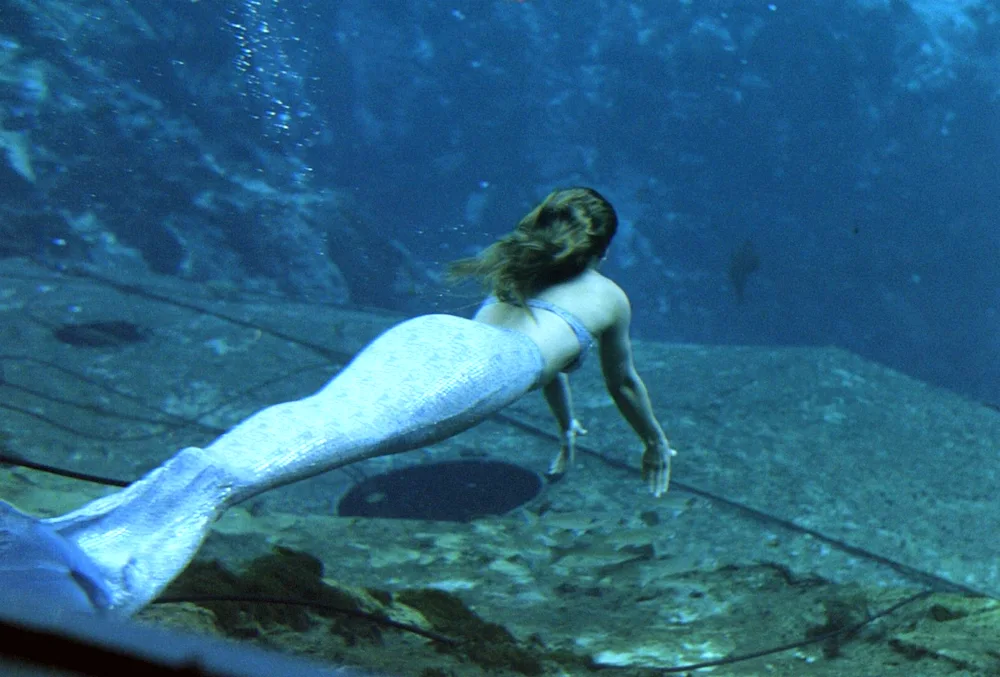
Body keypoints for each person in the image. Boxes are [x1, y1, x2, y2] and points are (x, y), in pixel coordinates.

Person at [0, 187, 675, 617]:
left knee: (301, 421)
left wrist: (566, 427)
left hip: (429, 340)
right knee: (272, 460)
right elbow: (619, 381)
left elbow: (544, 361)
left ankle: (80, 531)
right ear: (603, 247)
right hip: (469, 376)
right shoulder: (609, 297)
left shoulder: (519, 274)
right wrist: (652, 440)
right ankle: (101, 568)